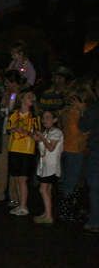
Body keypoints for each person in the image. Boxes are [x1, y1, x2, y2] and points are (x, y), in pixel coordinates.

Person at [58, 80, 94, 221]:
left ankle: (71, 210)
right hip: (74, 148)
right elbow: (83, 130)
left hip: (71, 148)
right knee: (71, 181)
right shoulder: (74, 112)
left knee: (75, 180)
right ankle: (66, 211)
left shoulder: (67, 110)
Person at [0, 69, 27, 205]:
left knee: (15, 167)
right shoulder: (6, 95)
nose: (6, 85)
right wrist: (2, 105)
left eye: (8, 82)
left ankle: (14, 196)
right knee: (1, 166)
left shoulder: (23, 96)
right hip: (5, 133)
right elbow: (3, 114)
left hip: (18, 135)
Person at [6, 89, 40, 216]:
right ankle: (20, 204)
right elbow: (8, 130)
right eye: (28, 96)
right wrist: (13, 130)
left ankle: (24, 205)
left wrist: (26, 132)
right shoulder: (13, 114)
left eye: (32, 97)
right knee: (16, 178)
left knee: (23, 179)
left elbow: (37, 135)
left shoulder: (34, 116)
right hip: (14, 148)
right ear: (21, 99)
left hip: (27, 150)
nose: (31, 99)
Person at [31, 110, 63, 224]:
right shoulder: (45, 132)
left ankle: (49, 216)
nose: (45, 120)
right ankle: (47, 213)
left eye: (49, 117)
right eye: (44, 117)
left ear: (55, 120)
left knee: (43, 189)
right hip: (44, 165)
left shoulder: (56, 132)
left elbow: (50, 147)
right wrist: (38, 139)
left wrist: (41, 138)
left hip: (51, 166)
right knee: (47, 189)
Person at [75, 85, 99, 234]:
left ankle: (95, 221)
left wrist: (83, 111)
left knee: (95, 185)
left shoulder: (96, 107)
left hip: (97, 148)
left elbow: (84, 126)